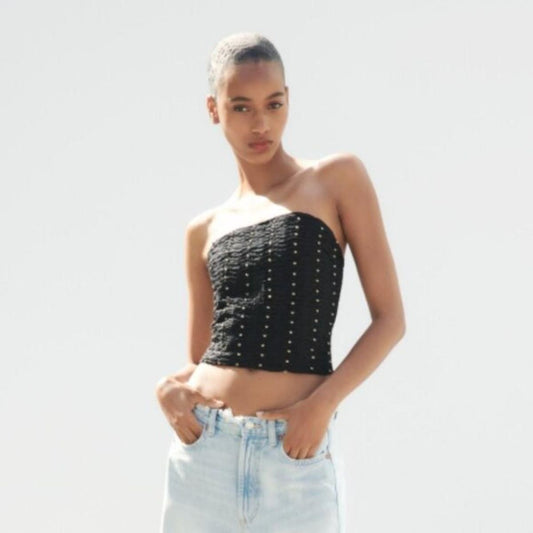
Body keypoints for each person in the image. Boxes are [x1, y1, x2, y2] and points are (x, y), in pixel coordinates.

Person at [155, 32, 406, 533]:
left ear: (289, 99)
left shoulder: (335, 179)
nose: (261, 123)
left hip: (295, 455)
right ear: (213, 109)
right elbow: (204, 356)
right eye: (241, 107)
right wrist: (169, 390)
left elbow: (390, 320)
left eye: (273, 104)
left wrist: (322, 405)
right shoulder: (203, 230)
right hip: (204, 456)